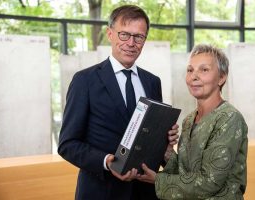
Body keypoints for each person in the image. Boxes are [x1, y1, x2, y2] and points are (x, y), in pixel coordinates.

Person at [58, 4, 178, 200]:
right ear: (110, 34)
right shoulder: (85, 81)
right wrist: (107, 162)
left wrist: (165, 135)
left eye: (139, 37)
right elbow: (67, 144)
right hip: (101, 191)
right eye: (124, 34)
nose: (131, 43)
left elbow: (149, 134)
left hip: (145, 191)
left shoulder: (152, 81)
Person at [137, 44, 248, 200]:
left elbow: (210, 182)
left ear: (222, 77)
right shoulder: (189, 120)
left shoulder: (229, 118)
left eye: (204, 70)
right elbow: (185, 173)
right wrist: (167, 150)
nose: (194, 76)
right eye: (190, 70)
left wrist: (157, 180)